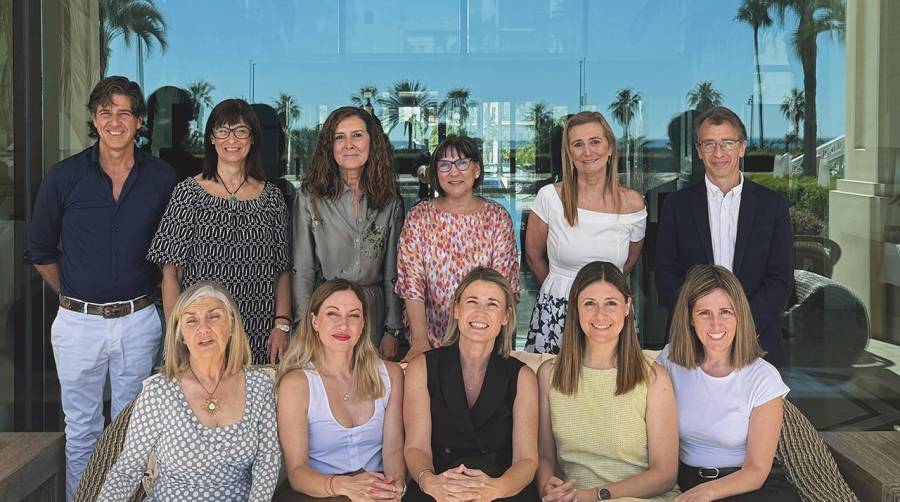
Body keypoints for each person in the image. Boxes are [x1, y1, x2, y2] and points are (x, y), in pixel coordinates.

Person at [24, 76, 177, 499]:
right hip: (77, 324)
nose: (114, 121)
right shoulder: (64, 177)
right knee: (82, 430)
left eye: (124, 112)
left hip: (139, 320)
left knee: (134, 430)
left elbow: (174, 255)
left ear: (140, 122)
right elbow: (40, 252)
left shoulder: (162, 178)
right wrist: (74, 296)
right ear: (94, 118)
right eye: (105, 112)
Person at [98, 281, 282, 501]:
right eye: (191, 321)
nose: (204, 329)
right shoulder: (159, 391)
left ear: (232, 325)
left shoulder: (259, 384)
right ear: (181, 335)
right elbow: (129, 468)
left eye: (214, 317)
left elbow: (267, 458)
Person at [147, 98, 292, 365]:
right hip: (201, 331)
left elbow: (282, 270)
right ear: (212, 138)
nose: (231, 139)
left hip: (257, 330)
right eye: (223, 130)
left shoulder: (272, 197)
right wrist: (178, 331)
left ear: (252, 139)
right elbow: (170, 272)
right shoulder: (188, 193)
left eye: (240, 130)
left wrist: (281, 324)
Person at [655, 106, 793, 366]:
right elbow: (665, 274)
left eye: (727, 143)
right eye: (709, 144)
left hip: (757, 339)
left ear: (742, 147)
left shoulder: (772, 205)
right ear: (698, 151)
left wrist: (739, 323)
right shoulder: (677, 205)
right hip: (690, 341)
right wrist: (698, 322)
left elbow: (780, 278)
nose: (718, 153)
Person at [537, 261, 680, 502]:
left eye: (611, 303)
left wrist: (595, 496)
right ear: (575, 308)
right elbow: (545, 457)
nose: (600, 315)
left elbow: (664, 474)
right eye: (589, 304)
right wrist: (546, 488)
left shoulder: (654, 378)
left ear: (627, 307)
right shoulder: (549, 374)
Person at [656, 265, 801, 502]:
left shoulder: (762, 377)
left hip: (748, 487)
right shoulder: (671, 362)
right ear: (690, 318)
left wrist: (707, 493)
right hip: (689, 479)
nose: (716, 324)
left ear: (739, 315)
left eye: (725, 312)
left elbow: (756, 470)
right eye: (704, 313)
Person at [404, 267, 539, 502]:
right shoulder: (422, 368)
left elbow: (527, 460)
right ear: (457, 309)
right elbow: (416, 447)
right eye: (472, 302)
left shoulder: (522, 377)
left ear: (506, 317)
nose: (480, 312)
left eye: (492, 304)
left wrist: (495, 489)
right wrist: (430, 483)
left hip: (501, 489)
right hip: (439, 487)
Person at [525, 111, 647, 354]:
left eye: (595, 141)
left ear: (610, 148)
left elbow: (630, 260)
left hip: (610, 315)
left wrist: (602, 294)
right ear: (568, 153)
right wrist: (561, 291)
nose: (587, 151)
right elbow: (533, 256)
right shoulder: (549, 197)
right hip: (557, 311)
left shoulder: (632, 204)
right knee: (552, 388)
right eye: (577, 144)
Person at [274, 279, 406, 501]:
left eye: (353, 315)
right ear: (315, 321)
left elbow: (393, 451)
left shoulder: (391, 375)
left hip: (374, 490)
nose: (343, 325)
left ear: (363, 323)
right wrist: (346, 487)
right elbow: (297, 472)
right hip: (319, 493)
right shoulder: (297, 384)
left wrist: (394, 488)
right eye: (332, 314)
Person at [292, 106, 405, 360]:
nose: (348, 145)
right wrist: (303, 326)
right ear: (329, 146)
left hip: (372, 314)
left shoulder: (389, 200)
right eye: (339, 137)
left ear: (372, 141)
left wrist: (392, 329)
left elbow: (393, 272)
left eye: (357, 135)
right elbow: (303, 268)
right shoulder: (310, 197)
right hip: (326, 312)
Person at [396, 136, 520, 362]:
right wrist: (420, 342)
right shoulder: (418, 217)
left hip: (485, 338)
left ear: (476, 169)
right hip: (431, 340)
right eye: (444, 165)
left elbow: (503, 285)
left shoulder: (497, 218)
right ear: (435, 173)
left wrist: (489, 341)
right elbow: (411, 285)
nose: (454, 172)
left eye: (462, 163)